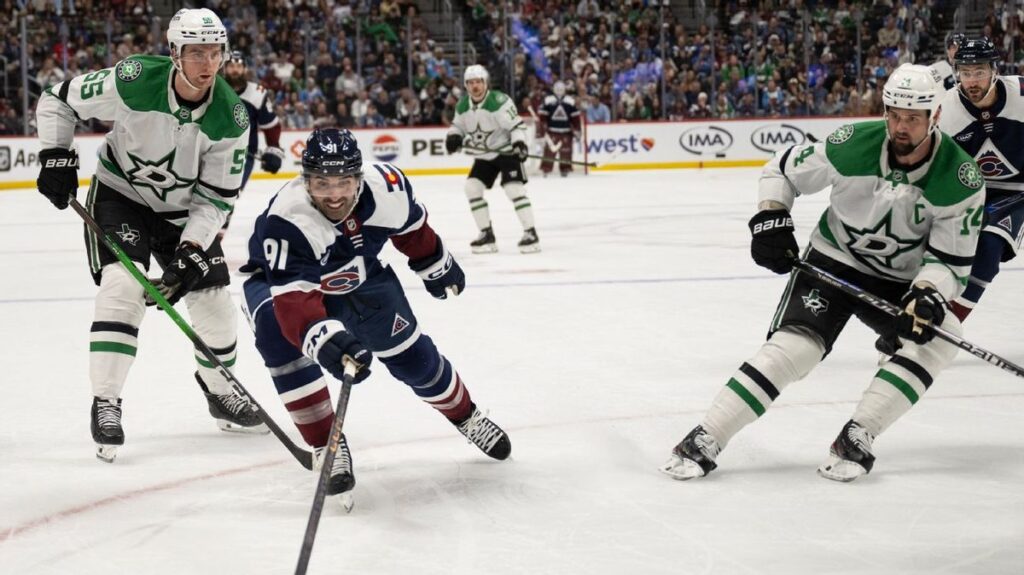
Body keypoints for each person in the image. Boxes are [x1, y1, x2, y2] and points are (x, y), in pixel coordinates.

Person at [660, 64, 985, 483]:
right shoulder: (852, 145)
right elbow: (781, 169)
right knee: (796, 348)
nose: (901, 127)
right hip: (831, 261)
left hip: (899, 282)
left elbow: (951, 263)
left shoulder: (961, 178)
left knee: (941, 336)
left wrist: (927, 293)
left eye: (912, 118)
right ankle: (706, 435)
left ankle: (858, 433)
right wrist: (771, 216)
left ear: (935, 116)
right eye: (894, 115)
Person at [34, 8, 269, 463]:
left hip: (183, 213)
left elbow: (216, 199)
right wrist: (55, 156)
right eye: (196, 52)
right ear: (174, 53)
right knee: (123, 286)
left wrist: (191, 249)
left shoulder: (232, 117)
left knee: (215, 303)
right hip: (121, 195)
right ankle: (106, 401)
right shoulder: (134, 79)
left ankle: (220, 390)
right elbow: (57, 100)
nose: (207, 63)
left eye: (215, 52)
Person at [239, 128, 512, 505]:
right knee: (277, 337)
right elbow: (294, 305)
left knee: (413, 359)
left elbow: (412, 230)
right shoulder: (289, 217)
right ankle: (326, 445)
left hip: (359, 276)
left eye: (343, 182)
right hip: (279, 286)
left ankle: (466, 416)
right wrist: (327, 342)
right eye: (321, 183)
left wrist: (434, 262)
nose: (334, 194)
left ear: (359, 178)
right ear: (306, 181)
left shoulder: (388, 188)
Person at [935, 36, 1024, 322]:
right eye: (966, 72)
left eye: (979, 72)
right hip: (970, 190)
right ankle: (922, 312)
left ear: (995, 70)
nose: (972, 80)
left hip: (1018, 191)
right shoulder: (946, 109)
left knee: (990, 244)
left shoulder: (1021, 94)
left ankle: (946, 325)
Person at [445, 65, 540, 254]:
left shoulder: (498, 101)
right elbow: (458, 126)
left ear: (485, 83)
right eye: (471, 83)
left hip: (506, 152)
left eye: (478, 82)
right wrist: (453, 136)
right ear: (466, 85)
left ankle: (531, 233)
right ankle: (486, 234)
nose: (475, 86)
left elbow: (516, 126)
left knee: (513, 189)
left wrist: (519, 144)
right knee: (472, 188)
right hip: (484, 156)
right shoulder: (463, 105)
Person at [221, 50, 284, 237]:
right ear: (225, 68)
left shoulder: (257, 93)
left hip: (242, 156)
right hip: (211, 150)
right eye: (231, 66)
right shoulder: (213, 88)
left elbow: (271, 126)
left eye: (238, 66)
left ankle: (214, 239)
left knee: (228, 196)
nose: (235, 70)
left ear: (245, 69)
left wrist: (273, 149)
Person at [536, 80, 581, 178]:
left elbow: (575, 117)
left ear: (565, 90)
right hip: (552, 131)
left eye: (561, 89)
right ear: (554, 89)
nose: (559, 90)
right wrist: (541, 130)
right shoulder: (548, 100)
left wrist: (577, 130)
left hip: (566, 131)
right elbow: (543, 117)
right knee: (549, 152)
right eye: (557, 88)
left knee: (566, 151)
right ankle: (546, 169)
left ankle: (565, 168)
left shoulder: (570, 100)